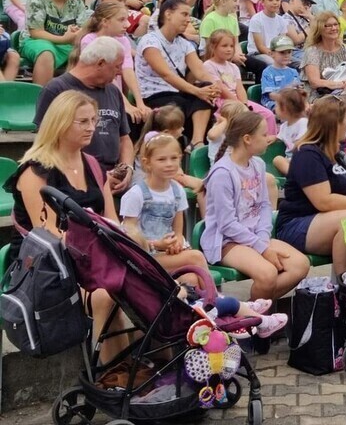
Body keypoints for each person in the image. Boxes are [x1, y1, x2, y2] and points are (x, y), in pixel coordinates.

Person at [8, 91, 129, 363]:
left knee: (157, 283)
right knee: (103, 296)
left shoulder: (92, 163)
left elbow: (111, 220)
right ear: (61, 124)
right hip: (48, 267)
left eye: (93, 120)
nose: (91, 127)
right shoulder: (34, 172)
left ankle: (134, 369)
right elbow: (52, 233)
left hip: (91, 254)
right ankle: (111, 375)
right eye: (82, 121)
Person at [203, 110, 309, 300]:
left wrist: (262, 239)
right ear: (247, 139)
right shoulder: (222, 173)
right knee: (267, 274)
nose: (269, 138)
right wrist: (261, 248)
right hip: (227, 242)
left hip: (255, 236)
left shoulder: (258, 164)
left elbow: (264, 206)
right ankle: (254, 320)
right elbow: (226, 224)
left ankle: (252, 310)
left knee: (300, 265)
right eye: (264, 134)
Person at [276, 96, 346, 276]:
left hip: (322, 222)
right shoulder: (308, 154)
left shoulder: (334, 153)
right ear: (334, 123)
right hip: (296, 224)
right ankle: (344, 289)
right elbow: (324, 202)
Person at [34, 35, 135, 183]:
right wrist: (94, 176)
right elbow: (46, 142)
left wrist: (127, 168)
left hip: (114, 176)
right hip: (73, 179)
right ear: (101, 63)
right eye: (117, 66)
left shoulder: (113, 90)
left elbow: (124, 139)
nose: (120, 72)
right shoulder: (56, 89)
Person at [120, 133, 210, 281]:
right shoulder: (136, 194)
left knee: (191, 279)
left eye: (174, 158)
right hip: (143, 256)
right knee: (196, 256)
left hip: (166, 255)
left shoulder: (177, 191)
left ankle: (198, 303)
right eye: (161, 159)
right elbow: (130, 237)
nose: (169, 164)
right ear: (147, 163)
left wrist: (176, 244)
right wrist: (157, 244)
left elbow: (178, 233)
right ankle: (215, 300)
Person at [135, 0, 220, 147]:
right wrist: (197, 91)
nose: (188, 19)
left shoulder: (184, 43)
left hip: (178, 92)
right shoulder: (150, 41)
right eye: (184, 14)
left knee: (206, 90)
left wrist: (215, 88)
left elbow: (200, 71)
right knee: (196, 98)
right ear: (168, 14)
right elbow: (166, 74)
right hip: (155, 95)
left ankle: (197, 142)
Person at [22, 0, 92, 86]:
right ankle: (41, 98)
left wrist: (77, 33)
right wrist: (64, 38)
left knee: (87, 51)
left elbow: (83, 28)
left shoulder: (76, 2)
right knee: (46, 53)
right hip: (37, 41)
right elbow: (36, 33)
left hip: (66, 43)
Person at [300, 11, 346, 101]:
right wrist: (342, 84)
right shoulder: (312, 52)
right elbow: (315, 82)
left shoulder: (345, 49)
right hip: (320, 95)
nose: (334, 28)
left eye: (336, 24)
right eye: (328, 26)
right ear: (319, 29)